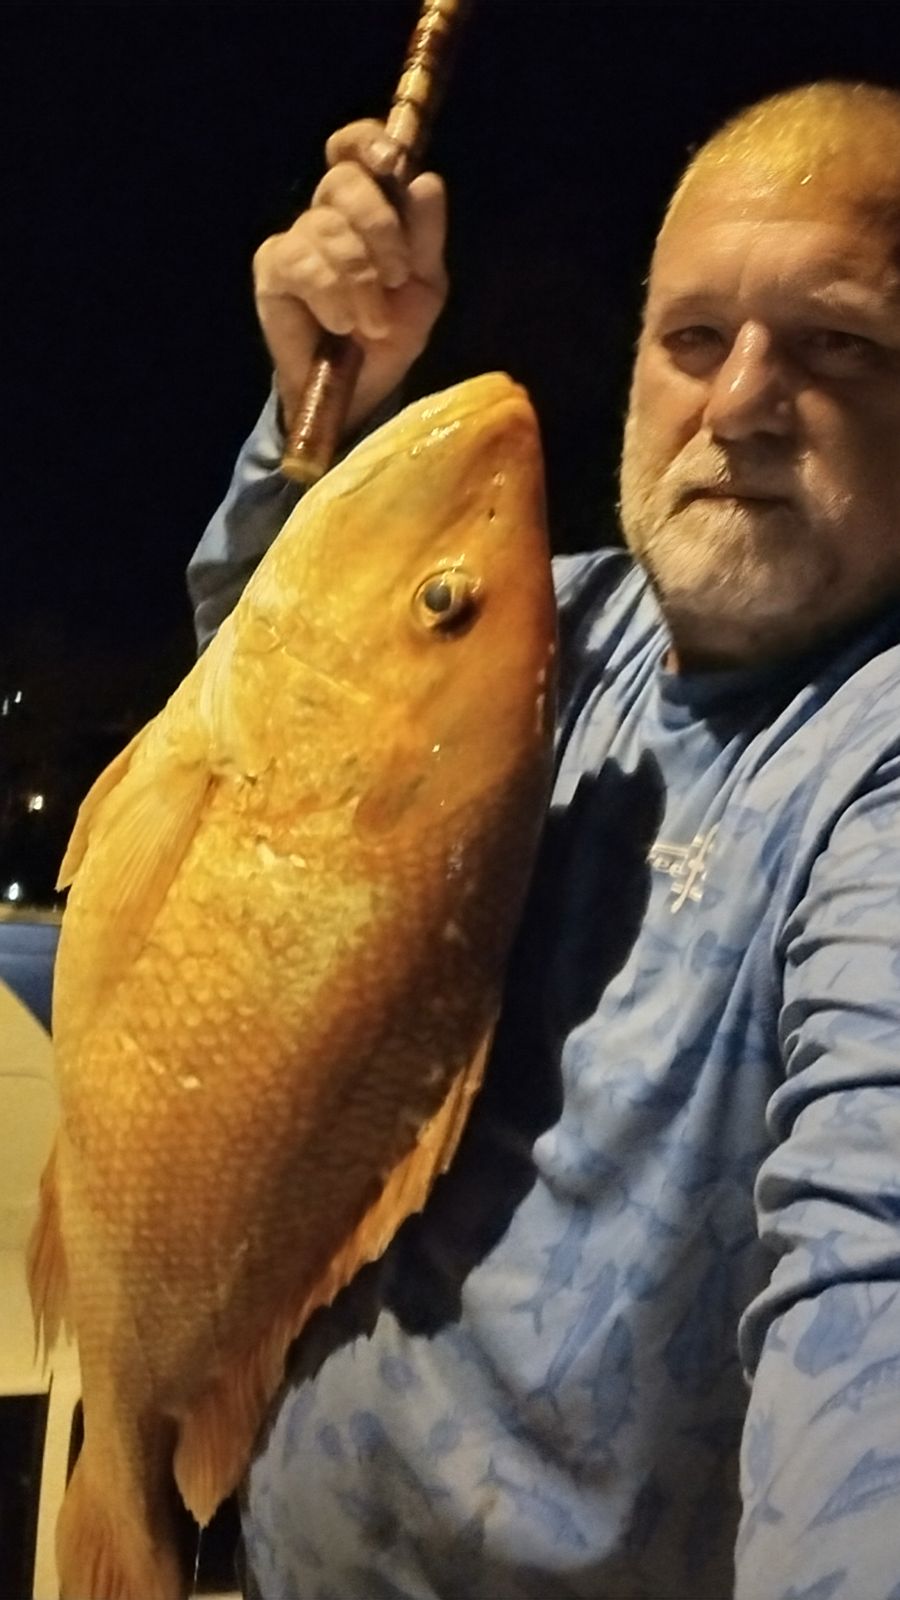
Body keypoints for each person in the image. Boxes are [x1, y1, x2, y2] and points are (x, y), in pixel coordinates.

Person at [188, 81, 900, 1600]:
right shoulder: (550, 621)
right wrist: (322, 409)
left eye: (838, 343)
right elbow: (249, 754)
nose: (742, 401)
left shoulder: (873, 762)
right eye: (694, 337)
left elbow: (872, 1269)